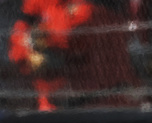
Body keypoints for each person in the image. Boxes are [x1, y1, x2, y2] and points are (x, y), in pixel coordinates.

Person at [9, 0, 141, 110]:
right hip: (55, 104)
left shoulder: (94, 9)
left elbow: (69, 35)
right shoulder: (39, 6)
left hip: (103, 100)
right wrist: (28, 52)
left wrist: (40, 36)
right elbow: (18, 44)